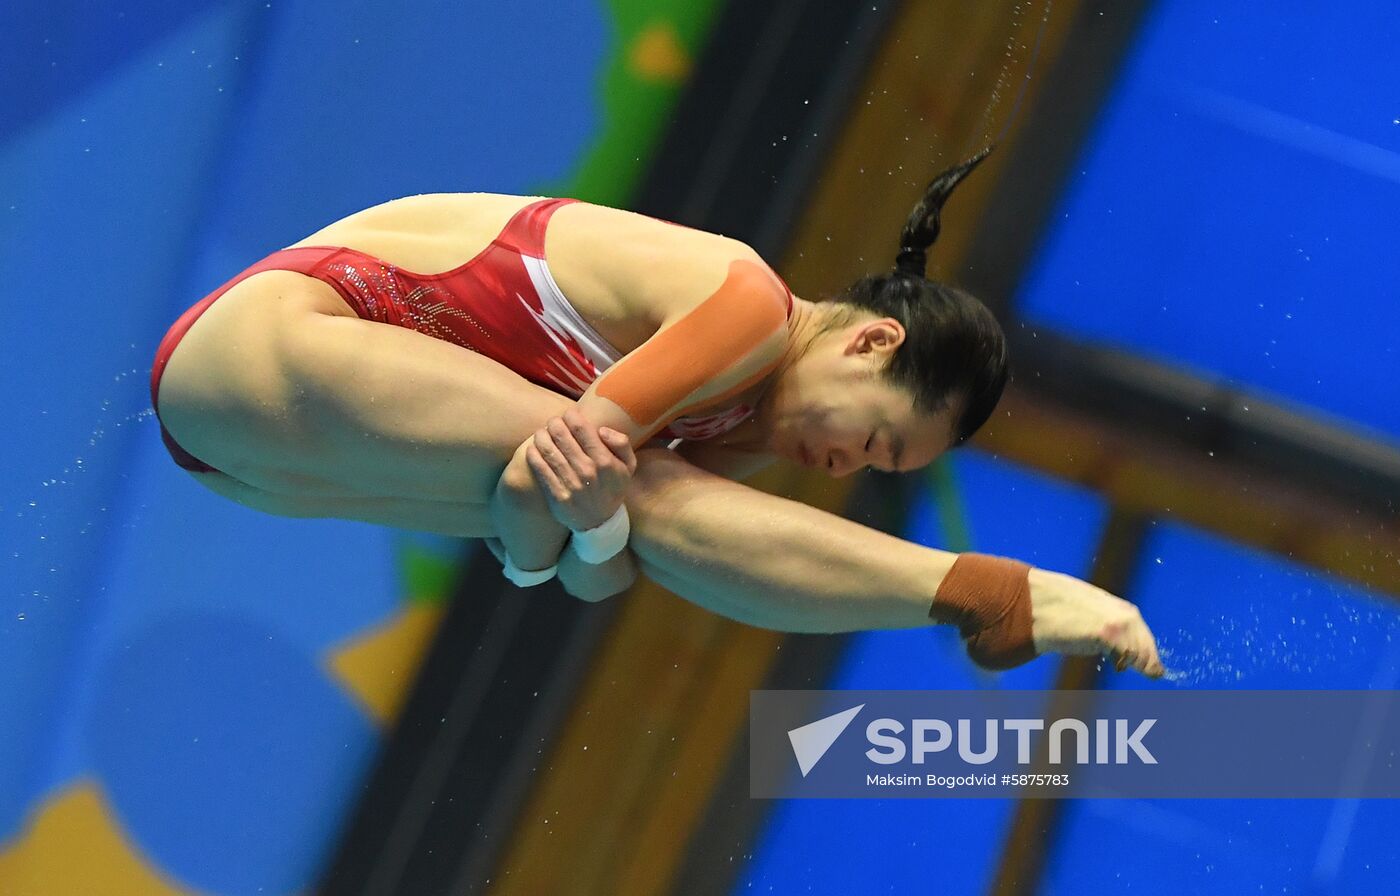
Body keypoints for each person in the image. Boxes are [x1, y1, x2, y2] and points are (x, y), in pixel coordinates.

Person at [150, 149, 1165, 677]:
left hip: (257, 466)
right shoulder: (749, 306)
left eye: (876, 466)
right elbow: (570, 484)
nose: (845, 461)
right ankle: (996, 595)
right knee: (631, 482)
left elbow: (562, 554)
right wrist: (578, 524)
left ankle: (978, 601)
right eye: (876, 435)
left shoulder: (738, 441)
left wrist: (581, 527)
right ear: (868, 341)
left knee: (636, 498)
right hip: (271, 340)